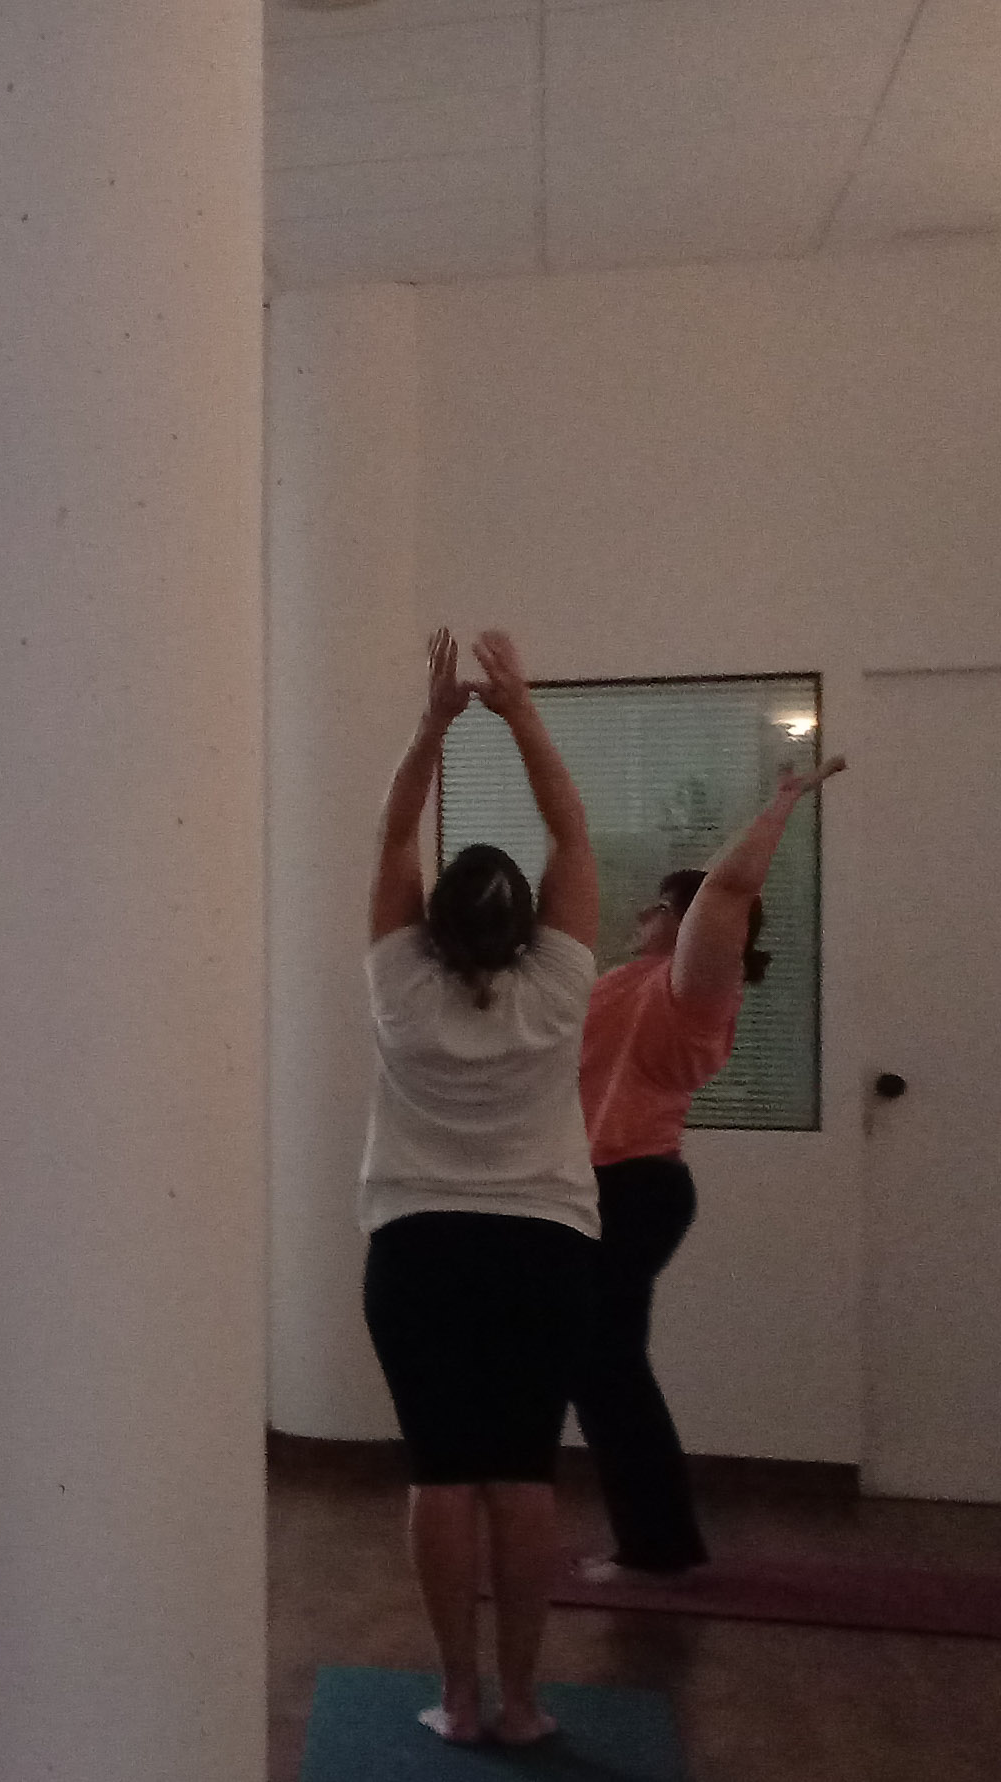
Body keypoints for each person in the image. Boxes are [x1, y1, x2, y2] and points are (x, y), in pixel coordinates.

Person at [358, 628, 604, 1750]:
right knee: (521, 1475)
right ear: (524, 927)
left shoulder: (398, 981)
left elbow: (391, 831)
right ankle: (519, 1701)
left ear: (434, 924)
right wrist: (517, 708)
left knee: (442, 1474)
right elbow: (570, 831)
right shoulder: (558, 982)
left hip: (416, 1249)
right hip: (543, 1252)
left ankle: (455, 1698)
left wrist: (432, 723)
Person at [572, 755, 845, 1583]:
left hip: (635, 1187)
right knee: (604, 1367)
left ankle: (656, 1547)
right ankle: (656, 1544)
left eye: (661, 904)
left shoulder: (691, 993)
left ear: (683, 923)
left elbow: (726, 896)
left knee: (606, 1367)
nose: (644, 912)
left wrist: (784, 800)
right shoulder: (619, 981)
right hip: (593, 1187)